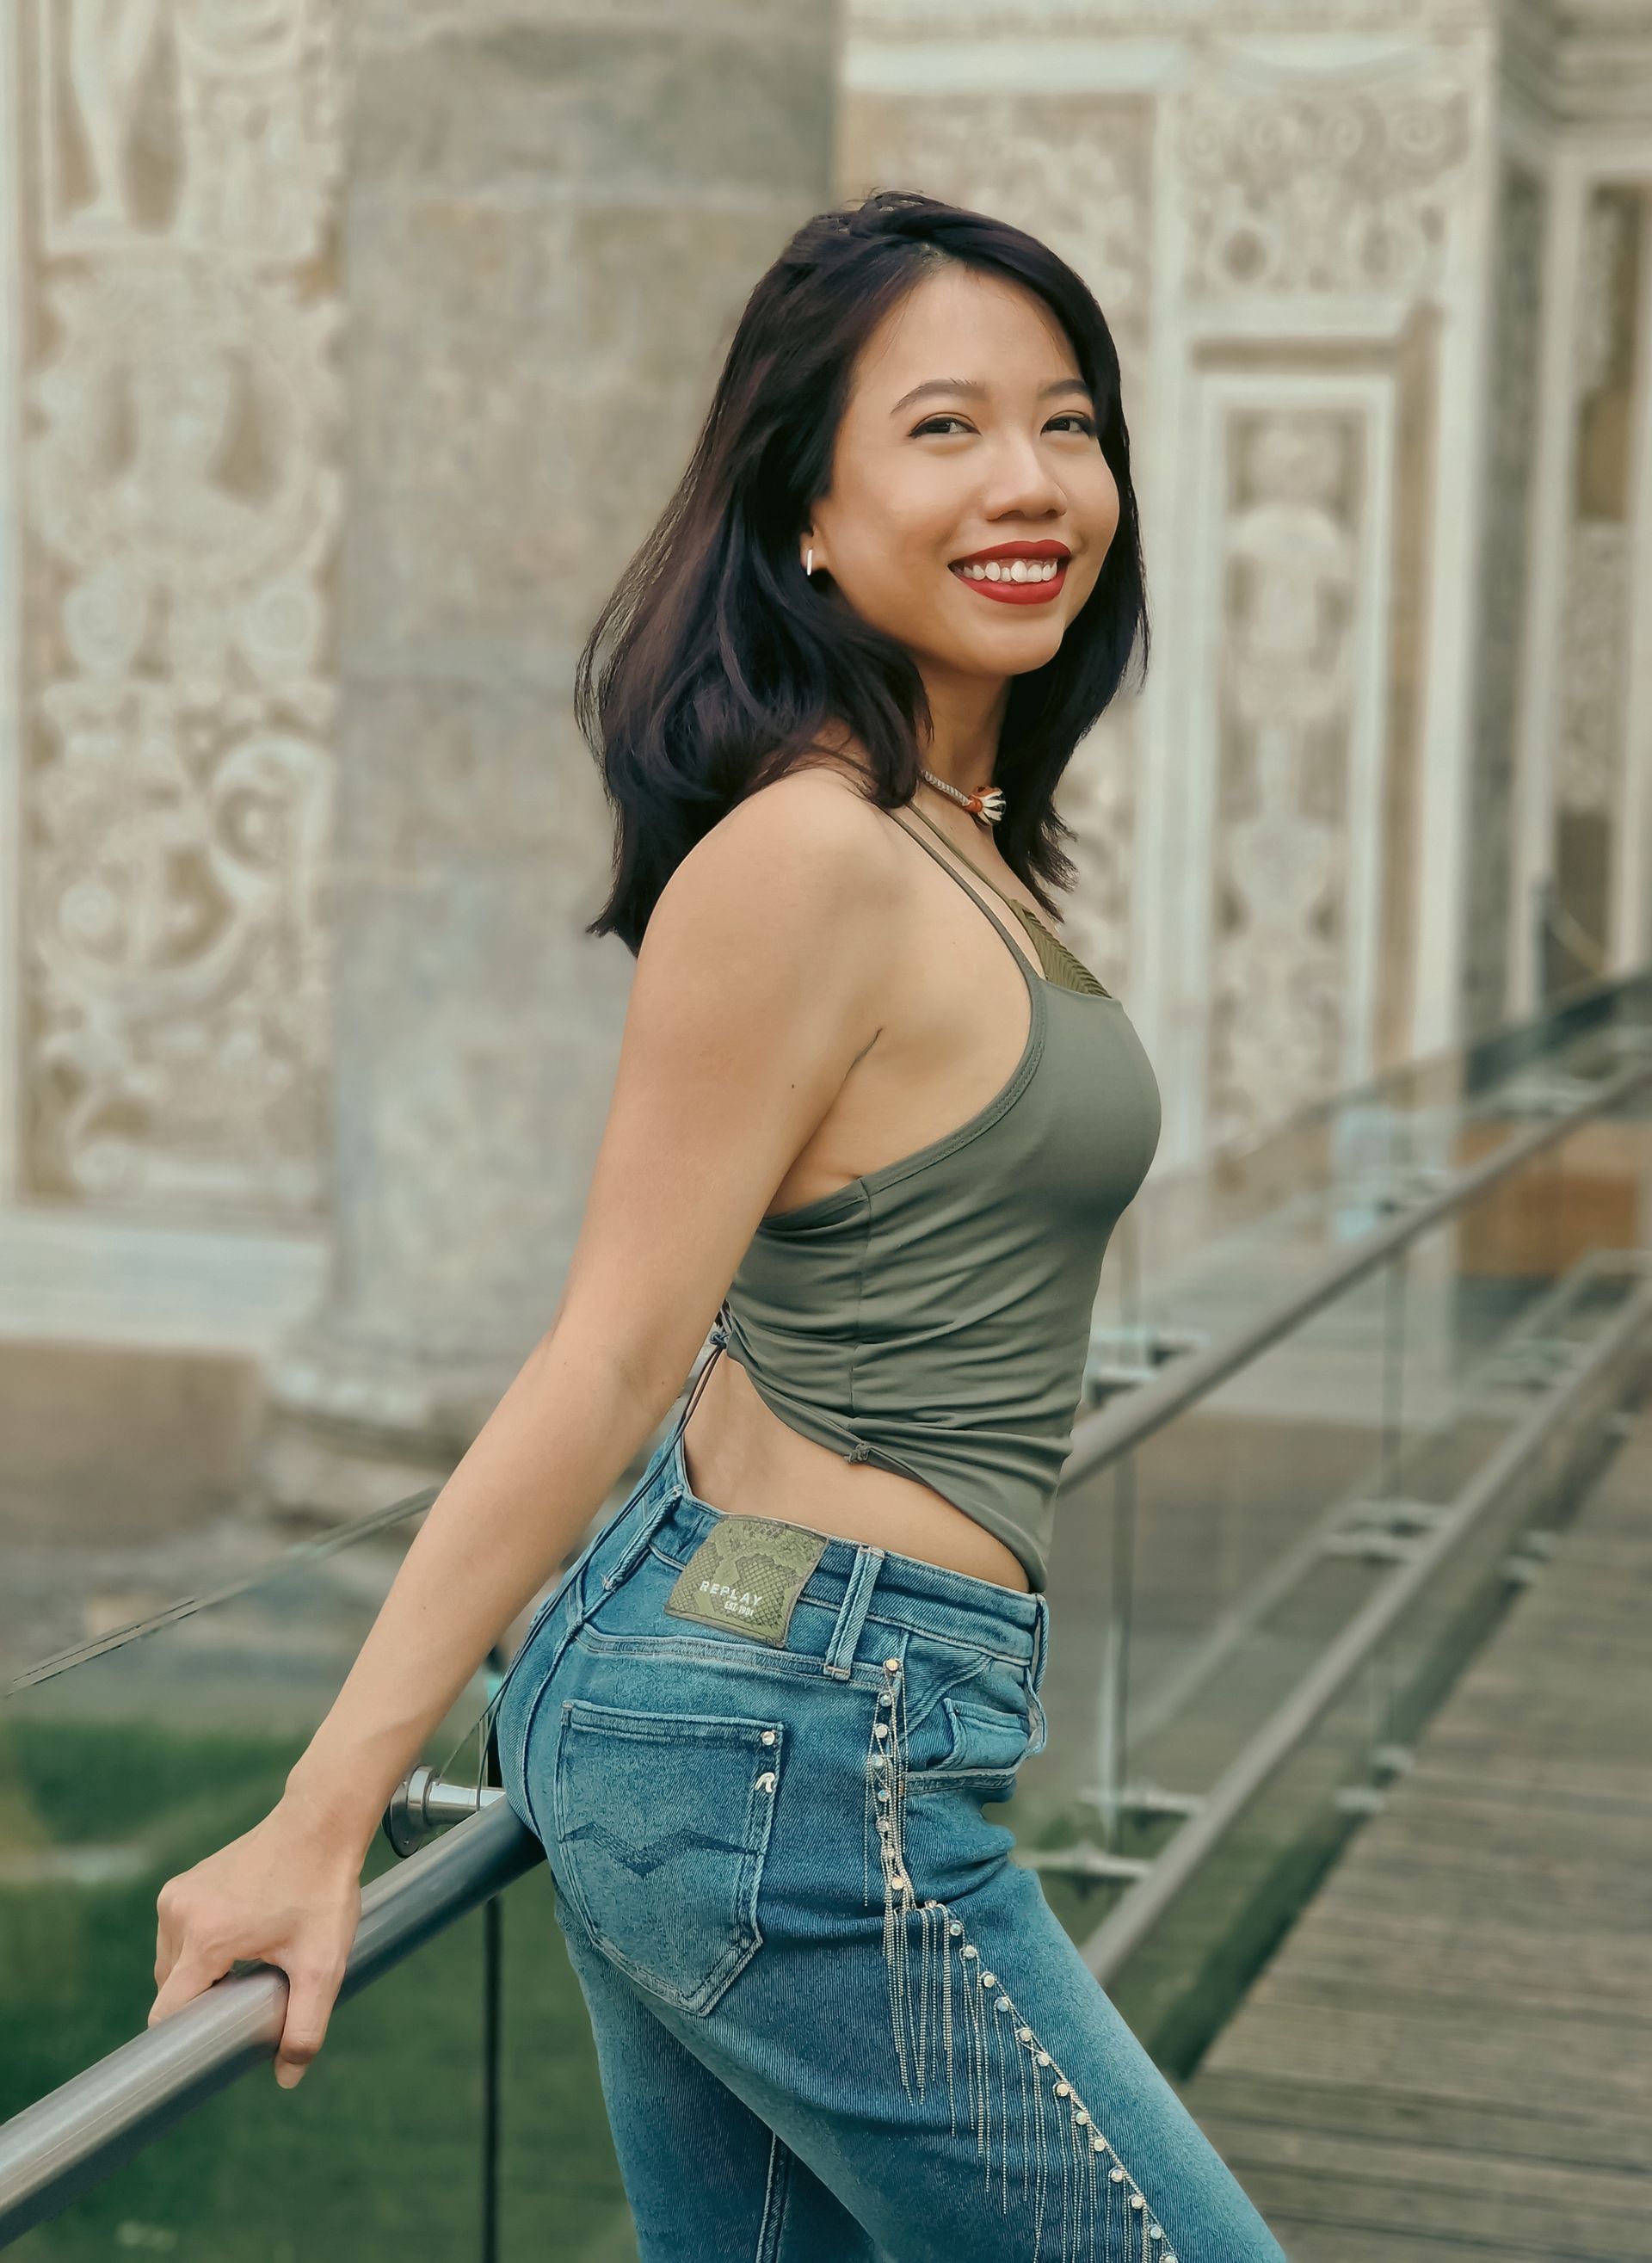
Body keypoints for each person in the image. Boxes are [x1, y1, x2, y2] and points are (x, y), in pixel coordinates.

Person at [149, 189, 1285, 2261]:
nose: (1031, 481)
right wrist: (321, 1814)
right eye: (943, 428)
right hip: (798, 1748)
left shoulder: (949, 838)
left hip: (772, 1702)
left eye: (1068, 422)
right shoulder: (807, 858)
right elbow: (604, 1351)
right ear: (807, 517)